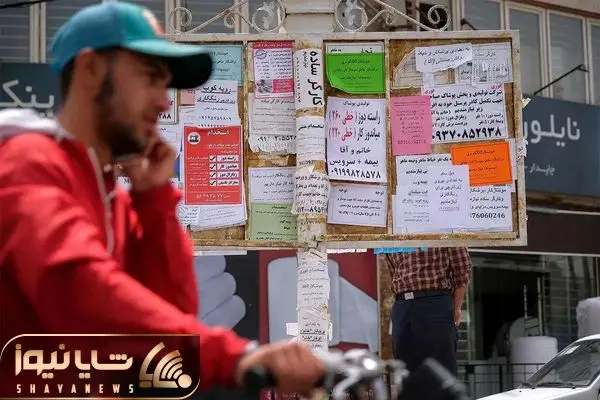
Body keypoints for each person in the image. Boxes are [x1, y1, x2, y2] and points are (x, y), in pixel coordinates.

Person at [0, 1, 324, 396]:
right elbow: (77, 291)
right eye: (150, 78)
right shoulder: (28, 164)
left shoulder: (111, 196)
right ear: (91, 69)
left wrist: (154, 199)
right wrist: (234, 357)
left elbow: (172, 314)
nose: (163, 102)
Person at [386, 247, 472, 376]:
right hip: (402, 304)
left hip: (434, 301)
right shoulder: (392, 237)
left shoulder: (442, 233)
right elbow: (393, 270)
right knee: (404, 370)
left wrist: (456, 307)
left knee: (441, 369)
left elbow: (462, 268)